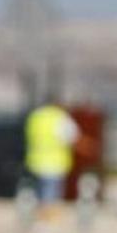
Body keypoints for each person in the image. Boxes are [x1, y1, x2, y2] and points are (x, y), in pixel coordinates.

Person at [24, 96, 79, 225]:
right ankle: (46, 219)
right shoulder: (60, 118)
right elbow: (71, 136)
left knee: (39, 190)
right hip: (54, 162)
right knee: (51, 192)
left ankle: (37, 215)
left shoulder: (36, 116)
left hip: (36, 161)